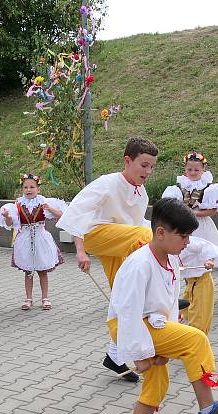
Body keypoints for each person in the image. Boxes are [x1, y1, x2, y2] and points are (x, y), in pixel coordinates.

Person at [108, 199, 218, 414]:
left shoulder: (170, 258)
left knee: (157, 384)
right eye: (183, 236)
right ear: (161, 232)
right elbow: (127, 312)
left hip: (150, 326)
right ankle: (209, 410)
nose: (187, 242)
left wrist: (168, 337)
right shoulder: (140, 264)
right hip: (131, 326)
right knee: (195, 340)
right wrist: (140, 355)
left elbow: (168, 301)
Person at [56, 137, 158, 382]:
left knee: (125, 297)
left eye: (152, 166)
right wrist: (81, 250)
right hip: (97, 234)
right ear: (127, 161)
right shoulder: (107, 183)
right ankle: (160, 290)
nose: (148, 171)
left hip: (120, 242)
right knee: (147, 235)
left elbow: (133, 225)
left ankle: (114, 355)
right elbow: (77, 212)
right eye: (144, 165)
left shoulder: (141, 193)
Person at [0, 173, 67, 310]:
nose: (28, 190)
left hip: (41, 239)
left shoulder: (44, 202)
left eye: (32, 187)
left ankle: (45, 298)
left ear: (38, 189)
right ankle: (28, 298)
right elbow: (11, 224)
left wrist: (50, 208)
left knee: (42, 271)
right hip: (25, 240)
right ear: (22, 189)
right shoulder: (17, 205)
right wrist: (7, 216)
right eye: (25, 187)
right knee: (28, 271)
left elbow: (62, 215)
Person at [161, 151, 218, 250]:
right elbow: (172, 208)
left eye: (196, 170)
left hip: (201, 225)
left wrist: (194, 213)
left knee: (202, 250)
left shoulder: (209, 189)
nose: (192, 172)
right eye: (189, 169)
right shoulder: (178, 188)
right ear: (185, 169)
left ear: (203, 169)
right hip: (182, 223)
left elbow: (213, 211)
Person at [178, 235, 218, 334]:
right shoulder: (168, 244)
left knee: (199, 316)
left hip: (203, 281)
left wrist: (209, 260)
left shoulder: (191, 242)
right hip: (189, 283)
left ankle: (197, 341)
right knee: (185, 313)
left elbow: (208, 247)